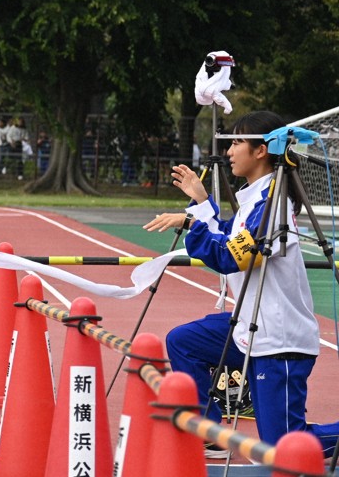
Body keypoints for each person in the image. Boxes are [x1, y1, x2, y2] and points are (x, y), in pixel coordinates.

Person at [142, 111, 337, 456]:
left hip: (278, 340)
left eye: (237, 142)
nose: (229, 151)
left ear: (261, 151)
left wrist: (192, 223)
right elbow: (224, 234)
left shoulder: (274, 207)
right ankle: (210, 433)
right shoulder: (254, 200)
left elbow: (231, 256)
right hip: (250, 328)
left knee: (282, 447)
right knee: (184, 342)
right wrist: (201, 202)